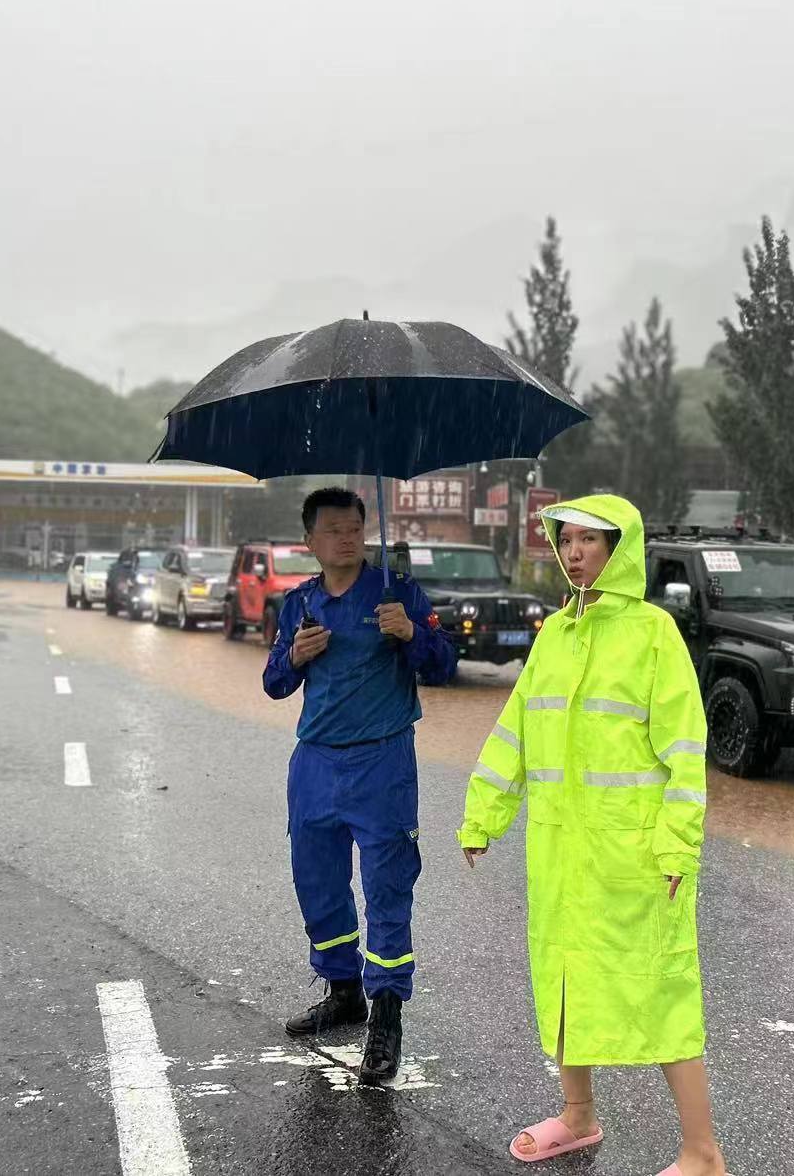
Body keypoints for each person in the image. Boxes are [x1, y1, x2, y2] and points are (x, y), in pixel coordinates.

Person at [458, 494, 725, 1176]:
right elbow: (515, 732)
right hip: (560, 852)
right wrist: (483, 814)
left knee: (661, 991)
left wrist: (675, 845)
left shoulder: (653, 634)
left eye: (589, 540)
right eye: (566, 540)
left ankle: (703, 1152)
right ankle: (577, 1117)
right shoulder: (555, 635)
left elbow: (684, 752)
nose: (573, 552)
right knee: (566, 981)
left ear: (620, 548)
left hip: (634, 855)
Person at [263, 487, 458, 1083]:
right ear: (311, 542)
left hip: (383, 762)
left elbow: (445, 664)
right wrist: (293, 656)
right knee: (318, 884)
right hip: (315, 764)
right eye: (333, 530)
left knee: (388, 887)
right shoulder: (298, 604)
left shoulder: (399, 593)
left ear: (366, 532)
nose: (346, 538)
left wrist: (411, 635)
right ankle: (343, 990)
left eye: (355, 528)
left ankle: (387, 1014)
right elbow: (273, 684)